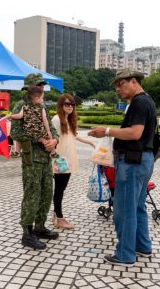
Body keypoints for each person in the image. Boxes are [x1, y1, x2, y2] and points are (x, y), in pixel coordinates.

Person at [88, 68, 157, 267]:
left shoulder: (139, 102)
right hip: (144, 160)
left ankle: (125, 254)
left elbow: (135, 133)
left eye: (121, 84)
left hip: (132, 162)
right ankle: (143, 246)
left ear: (133, 81)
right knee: (137, 207)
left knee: (124, 209)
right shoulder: (147, 100)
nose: (118, 88)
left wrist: (107, 131)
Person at [10, 73, 59, 250]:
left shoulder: (42, 105)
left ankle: (39, 227)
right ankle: (27, 233)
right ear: (30, 87)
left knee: (47, 192)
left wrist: (54, 140)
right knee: (32, 193)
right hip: (31, 159)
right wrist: (39, 138)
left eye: (43, 85)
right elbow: (15, 133)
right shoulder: (21, 106)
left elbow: (52, 129)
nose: (43, 88)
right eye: (39, 85)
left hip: (45, 158)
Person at [52, 93, 95, 229]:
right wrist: (54, 157)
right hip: (61, 158)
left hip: (69, 157)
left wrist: (90, 142)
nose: (70, 107)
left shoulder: (68, 119)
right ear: (61, 105)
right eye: (67, 104)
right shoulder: (57, 119)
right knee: (59, 188)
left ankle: (56, 214)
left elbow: (74, 136)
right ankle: (59, 218)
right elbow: (52, 138)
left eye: (72, 104)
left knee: (62, 188)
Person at [7, 86, 57, 159]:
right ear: (37, 99)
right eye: (42, 98)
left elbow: (19, 116)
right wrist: (48, 131)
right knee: (49, 138)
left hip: (28, 131)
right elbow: (45, 120)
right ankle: (53, 152)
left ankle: (17, 151)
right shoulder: (41, 108)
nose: (42, 100)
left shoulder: (24, 107)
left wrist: (11, 116)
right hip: (39, 131)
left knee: (18, 137)